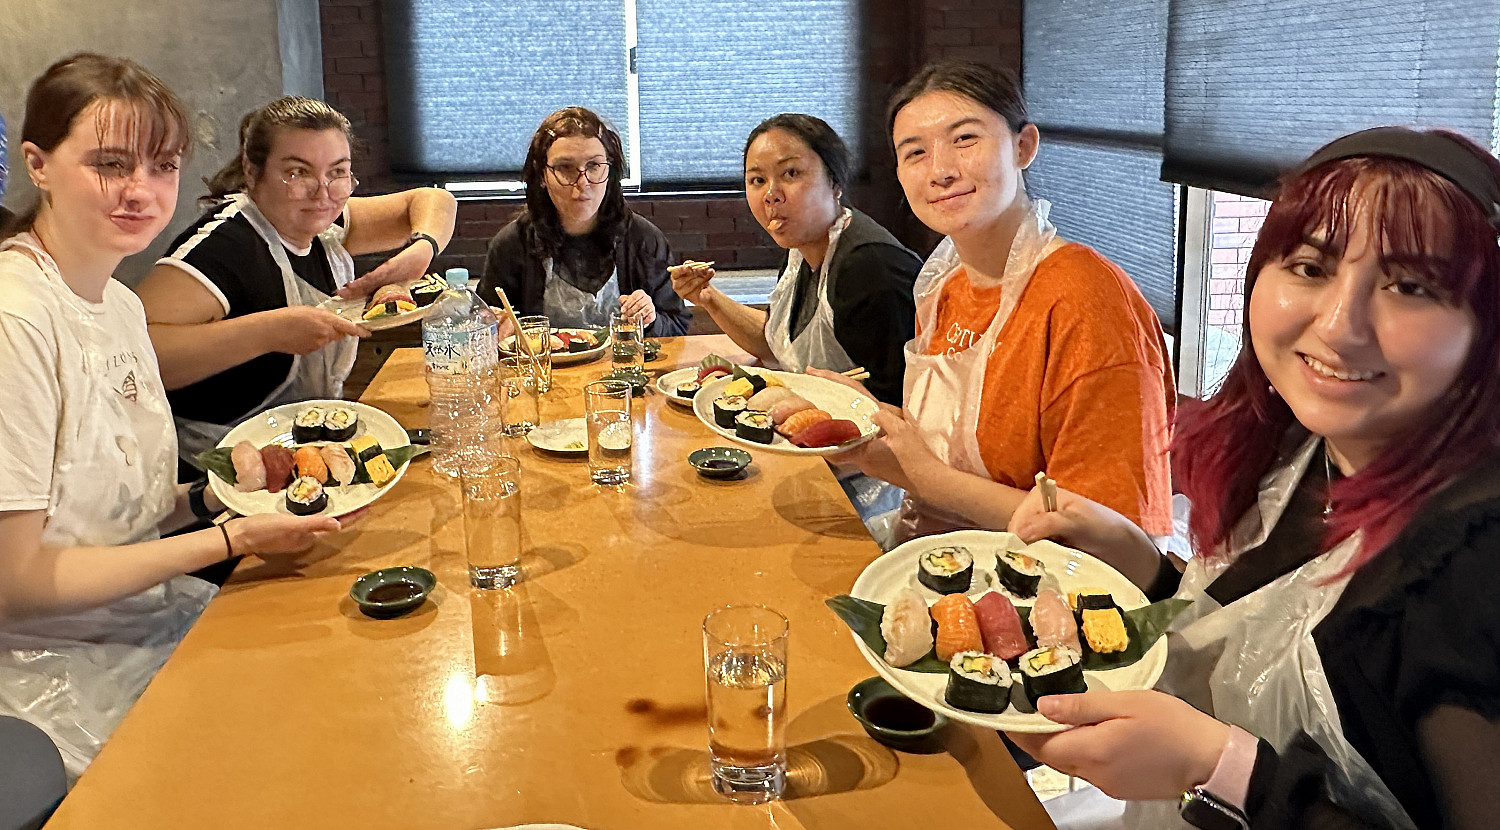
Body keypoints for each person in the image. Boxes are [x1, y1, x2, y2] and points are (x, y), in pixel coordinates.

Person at [1007, 127, 1500, 828]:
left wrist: (1219, 771)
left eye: (1410, 286)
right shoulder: (1303, 441)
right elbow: (1253, 645)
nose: (1337, 327)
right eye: (1310, 267)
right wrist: (1146, 569)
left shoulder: (1472, 571)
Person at [0, 54, 339, 780]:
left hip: (153, 617)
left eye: (163, 166)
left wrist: (216, 495)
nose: (140, 191)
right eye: (110, 163)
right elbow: (18, 580)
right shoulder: (15, 319)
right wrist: (227, 537)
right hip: (55, 678)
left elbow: (125, 510)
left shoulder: (121, 305)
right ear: (38, 163)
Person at [827, 60, 1174, 543]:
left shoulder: (1085, 299)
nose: (942, 171)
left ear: (1023, 146)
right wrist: (861, 439)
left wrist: (933, 481)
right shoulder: (945, 284)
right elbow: (947, 465)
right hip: (934, 557)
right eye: (915, 153)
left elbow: (1112, 536)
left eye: (965, 139)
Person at [133, 96, 457, 466]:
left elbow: (435, 200)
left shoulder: (321, 222)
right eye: (297, 173)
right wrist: (270, 331)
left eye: (337, 172)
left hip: (301, 452)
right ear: (252, 172)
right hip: (210, 476)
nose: (322, 191)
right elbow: (137, 353)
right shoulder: (229, 246)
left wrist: (422, 249)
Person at [669, 113, 920, 405]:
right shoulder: (801, 249)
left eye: (791, 173)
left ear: (835, 182)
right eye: (758, 180)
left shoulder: (869, 268)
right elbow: (779, 346)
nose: (771, 195)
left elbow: (901, 406)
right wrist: (708, 297)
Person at [478, 107, 689, 337]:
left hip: (627, 371)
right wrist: (494, 327)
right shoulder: (511, 245)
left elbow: (678, 327)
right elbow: (482, 329)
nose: (582, 183)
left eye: (594, 166)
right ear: (541, 175)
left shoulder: (644, 239)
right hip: (547, 372)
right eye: (565, 168)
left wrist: (650, 320)